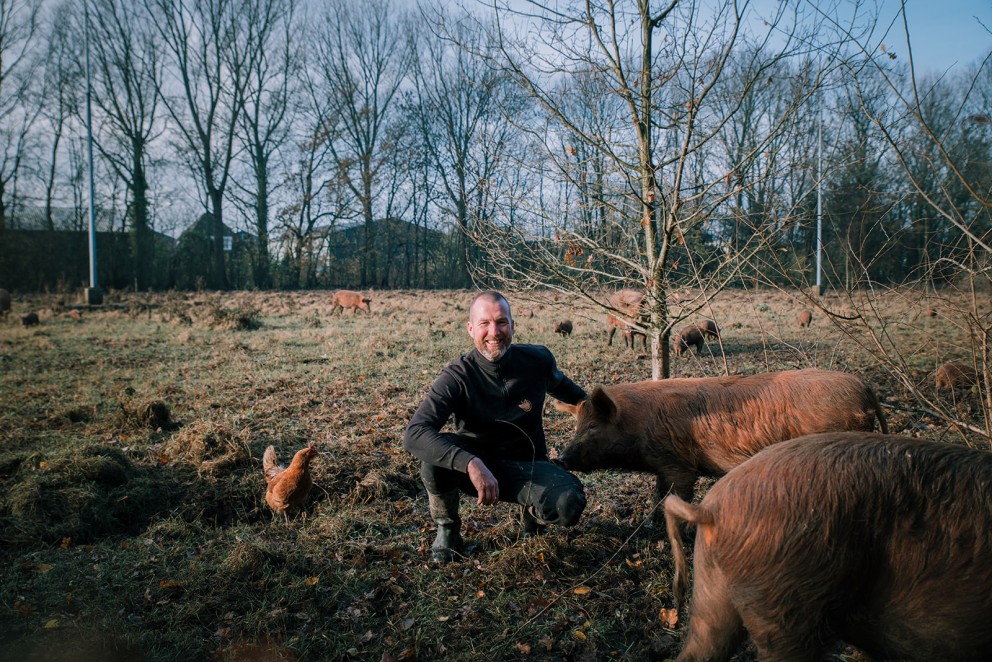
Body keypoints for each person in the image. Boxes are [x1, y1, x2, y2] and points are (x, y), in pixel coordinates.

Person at [403, 290, 588, 563]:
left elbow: (579, 399)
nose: (494, 332)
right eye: (484, 324)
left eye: (501, 322)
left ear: (513, 325)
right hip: (476, 466)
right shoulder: (457, 376)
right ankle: (448, 529)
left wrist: (575, 450)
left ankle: (533, 516)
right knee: (433, 459)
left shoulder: (537, 361)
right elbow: (415, 433)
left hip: (527, 466)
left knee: (569, 504)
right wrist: (470, 463)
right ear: (470, 329)